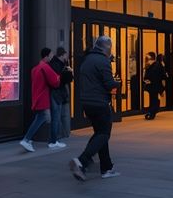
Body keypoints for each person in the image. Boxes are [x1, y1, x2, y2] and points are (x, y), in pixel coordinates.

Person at [69, 36, 120, 181]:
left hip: (87, 102)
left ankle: (106, 168)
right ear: (107, 48)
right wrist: (117, 84)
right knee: (104, 133)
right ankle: (82, 161)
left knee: (100, 134)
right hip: (99, 102)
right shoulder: (103, 61)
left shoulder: (87, 59)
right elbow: (109, 84)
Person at [20, 47, 60, 152]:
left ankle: (28, 139)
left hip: (37, 96)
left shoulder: (36, 68)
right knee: (42, 117)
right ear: (46, 56)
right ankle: (26, 139)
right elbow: (55, 81)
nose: (52, 56)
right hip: (43, 97)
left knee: (41, 117)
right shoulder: (45, 67)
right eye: (51, 54)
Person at [49, 47, 73, 146]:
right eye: (65, 55)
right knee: (57, 116)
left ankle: (58, 138)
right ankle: (55, 139)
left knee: (58, 116)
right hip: (57, 93)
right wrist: (69, 71)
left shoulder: (57, 64)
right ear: (62, 55)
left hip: (58, 92)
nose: (67, 57)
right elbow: (64, 79)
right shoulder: (58, 65)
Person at [142, 51, 165, 120]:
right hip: (151, 86)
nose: (146, 59)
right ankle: (152, 112)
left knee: (153, 100)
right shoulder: (149, 66)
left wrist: (161, 89)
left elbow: (160, 77)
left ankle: (152, 113)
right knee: (153, 99)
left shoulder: (157, 65)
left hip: (155, 86)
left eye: (147, 58)